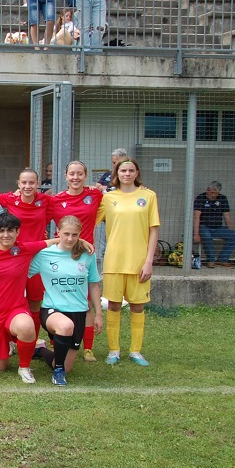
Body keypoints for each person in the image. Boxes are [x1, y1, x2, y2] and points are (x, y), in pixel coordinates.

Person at [0, 212, 71, 384]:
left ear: (17, 232)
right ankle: (9, 343)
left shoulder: (24, 249)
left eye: (10, 230)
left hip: (15, 309)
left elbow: (54, 241)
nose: (6, 235)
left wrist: (82, 241)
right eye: (1, 231)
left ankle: (24, 367)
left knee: (26, 326)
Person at [96, 157, 160, 367]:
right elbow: (89, 219)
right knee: (114, 305)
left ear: (137, 173)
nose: (127, 174)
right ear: (116, 174)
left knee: (138, 306)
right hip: (114, 260)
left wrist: (148, 261)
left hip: (139, 262)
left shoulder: (148, 196)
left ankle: (136, 351)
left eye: (131, 170)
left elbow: (153, 230)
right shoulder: (108, 198)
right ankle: (114, 350)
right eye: (123, 171)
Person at [28, 215, 103, 386]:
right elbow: (21, 270)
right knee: (65, 326)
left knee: (63, 361)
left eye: (74, 235)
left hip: (78, 312)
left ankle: (41, 351)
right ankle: (58, 372)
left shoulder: (87, 254)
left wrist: (98, 314)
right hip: (52, 310)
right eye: (66, 234)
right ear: (58, 233)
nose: (70, 239)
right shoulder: (44, 254)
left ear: (80, 235)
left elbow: (93, 285)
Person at [48, 161, 104, 360]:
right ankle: (57, 342)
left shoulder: (95, 195)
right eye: (72, 174)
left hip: (84, 254)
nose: (75, 177)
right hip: (61, 254)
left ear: (85, 176)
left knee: (85, 301)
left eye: (80, 174)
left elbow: (114, 196)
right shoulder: (55, 200)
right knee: (60, 297)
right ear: (65, 176)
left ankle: (88, 347)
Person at [0, 168, 51, 315]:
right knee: (10, 298)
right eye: (24, 182)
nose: (28, 186)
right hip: (14, 255)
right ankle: (11, 336)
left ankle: (32, 338)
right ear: (18, 184)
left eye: (32, 182)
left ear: (38, 183)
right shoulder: (10, 198)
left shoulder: (45, 200)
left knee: (35, 300)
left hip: (37, 256)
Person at [194, 181, 235, 267]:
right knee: (206, 236)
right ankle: (211, 260)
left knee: (234, 235)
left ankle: (222, 259)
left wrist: (231, 230)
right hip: (204, 227)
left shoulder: (223, 199)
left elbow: (227, 217)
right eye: (208, 190)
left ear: (218, 193)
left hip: (218, 228)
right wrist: (196, 234)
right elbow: (196, 217)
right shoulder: (200, 198)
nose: (209, 193)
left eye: (212, 192)